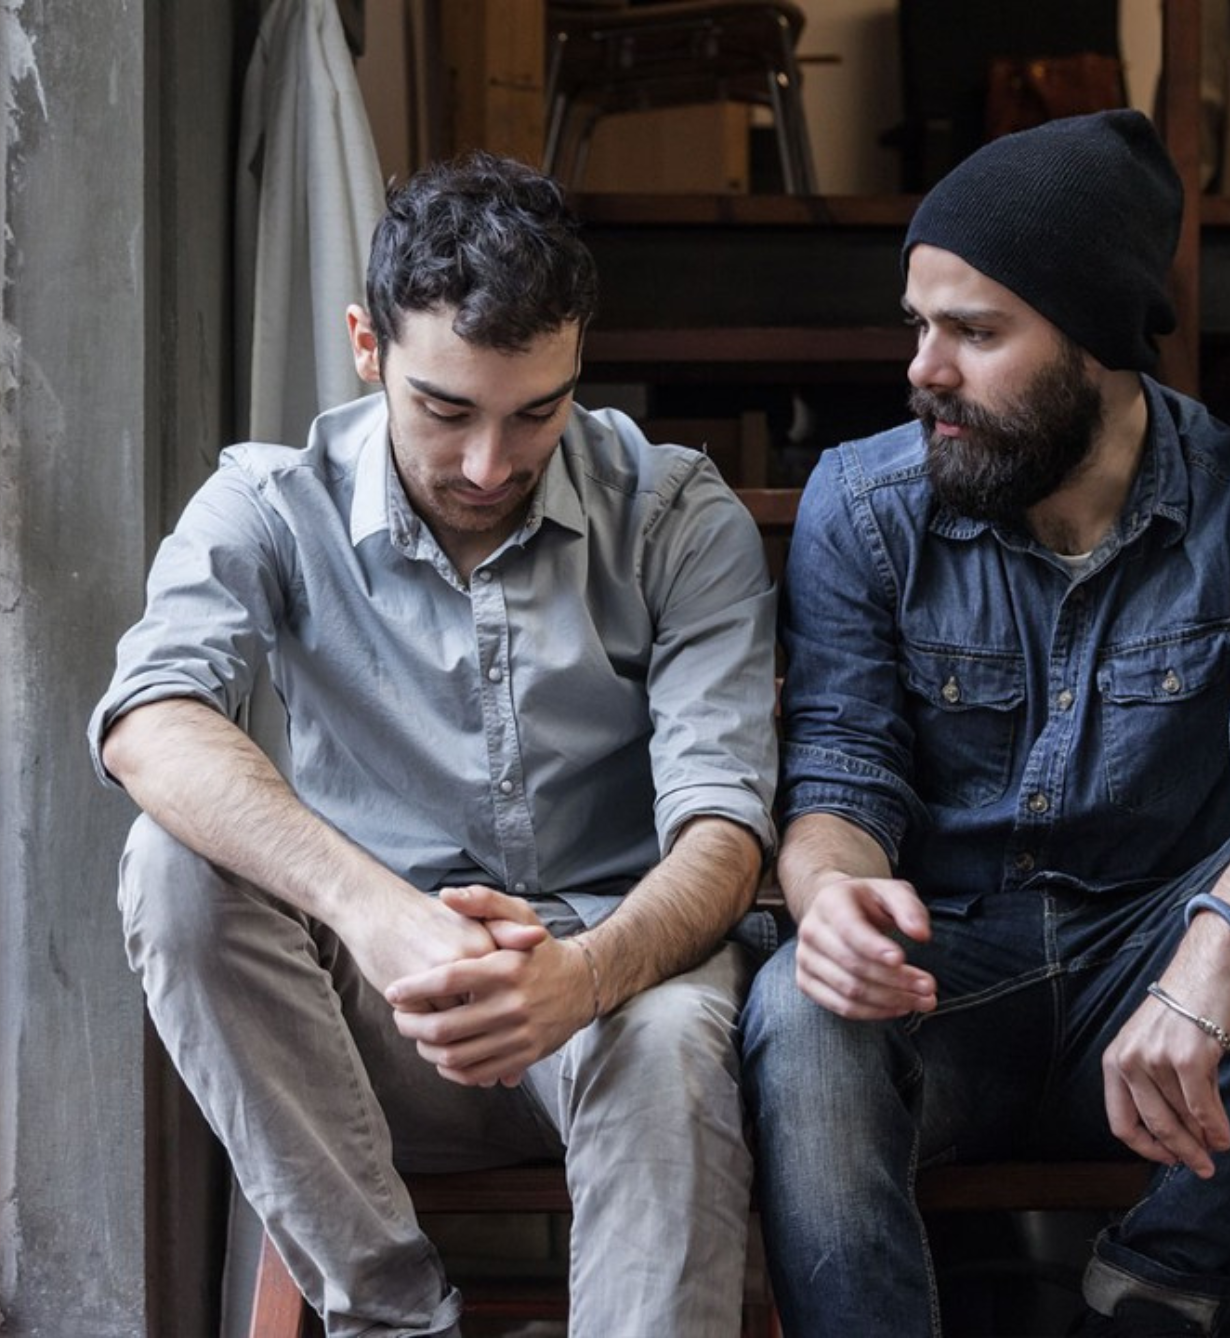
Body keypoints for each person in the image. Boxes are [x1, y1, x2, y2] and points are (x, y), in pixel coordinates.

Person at [740, 109, 1230, 1338]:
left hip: (1168, 991)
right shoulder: (865, 503)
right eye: (922, 325)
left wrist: (1219, 943)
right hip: (943, 987)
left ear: (1098, 344)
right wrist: (831, 894)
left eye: (975, 332)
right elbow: (839, 783)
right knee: (800, 1009)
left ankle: (1161, 1282)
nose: (925, 370)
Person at [88, 151, 778, 1338]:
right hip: (370, 1024)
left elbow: (725, 832)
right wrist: (377, 913)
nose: (487, 466)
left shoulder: (676, 512)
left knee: (668, 1042)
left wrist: (587, 974)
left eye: (538, 414)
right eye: (445, 408)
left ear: (578, 364)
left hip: (617, 997)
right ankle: (399, 1325)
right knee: (170, 868)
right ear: (369, 345)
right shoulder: (269, 501)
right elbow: (149, 721)